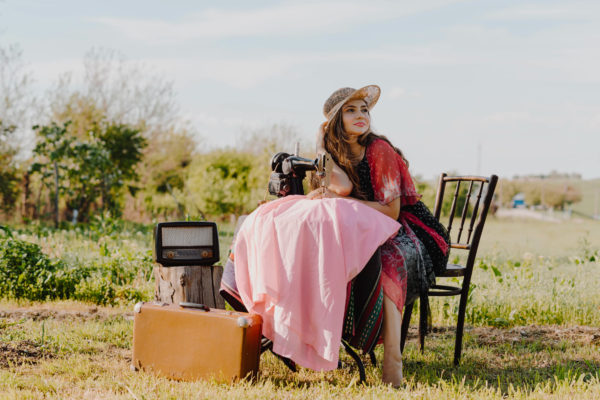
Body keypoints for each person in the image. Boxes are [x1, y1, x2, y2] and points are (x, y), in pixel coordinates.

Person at [307, 85, 437, 387]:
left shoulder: (379, 150)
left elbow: (391, 212)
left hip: (404, 229)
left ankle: (393, 361)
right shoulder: (334, 155)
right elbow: (340, 188)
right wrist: (320, 147)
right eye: (350, 110)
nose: (361, 115)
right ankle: (323, 345)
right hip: (362, 229)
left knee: (384, 260)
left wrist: (343, 203)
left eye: (364, 109)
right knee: (325, 253)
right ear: (334, 121)